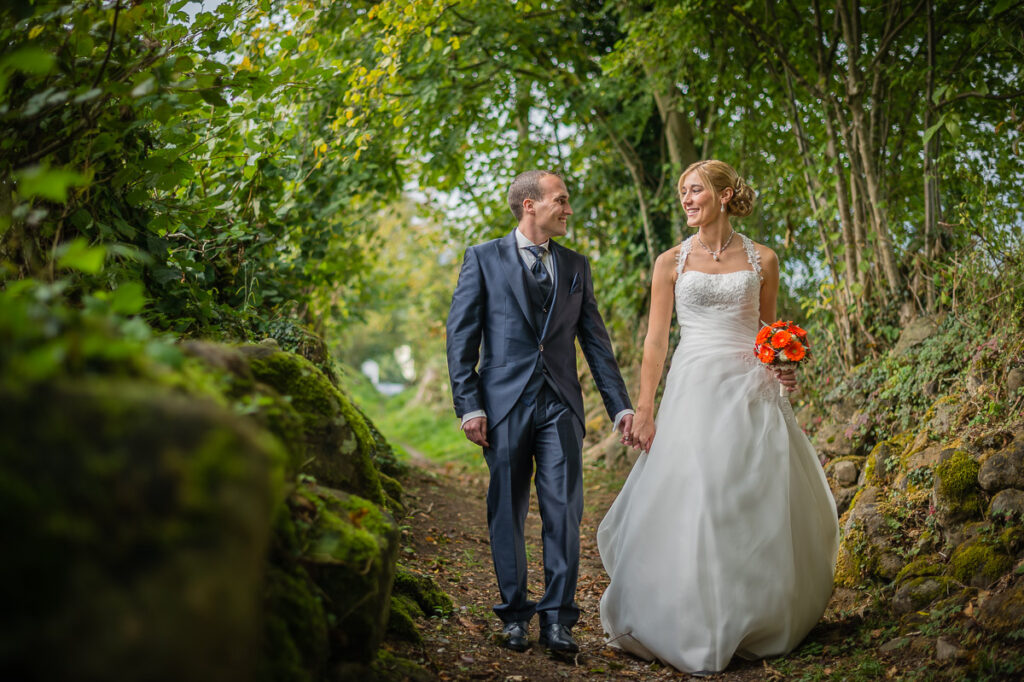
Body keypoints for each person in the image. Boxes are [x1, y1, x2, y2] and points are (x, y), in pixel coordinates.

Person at [596, 160, 839, 674]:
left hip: (751, 388)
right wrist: (644, 407)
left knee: (746, 496)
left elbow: (770, 334)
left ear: (725, 196)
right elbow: (656, 341)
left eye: (696, 191)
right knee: (698, 493)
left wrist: (785, 367)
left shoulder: (764, 259)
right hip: (694, 387)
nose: (686, 199)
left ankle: (752, 614)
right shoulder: (671, 262)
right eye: (683, 192)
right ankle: (692, 617)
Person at [446, 170, 634, 654]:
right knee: (507, 510)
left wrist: (620, 407)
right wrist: (469, 406)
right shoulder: (482, 259)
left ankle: (557, 620)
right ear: (530, 205)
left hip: (561, 406)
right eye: (561, 200)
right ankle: (514, 615)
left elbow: (595, 343)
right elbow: (461, 337)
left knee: (564, 511)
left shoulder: (575, 265)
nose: (568, 209)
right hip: (503, 406)